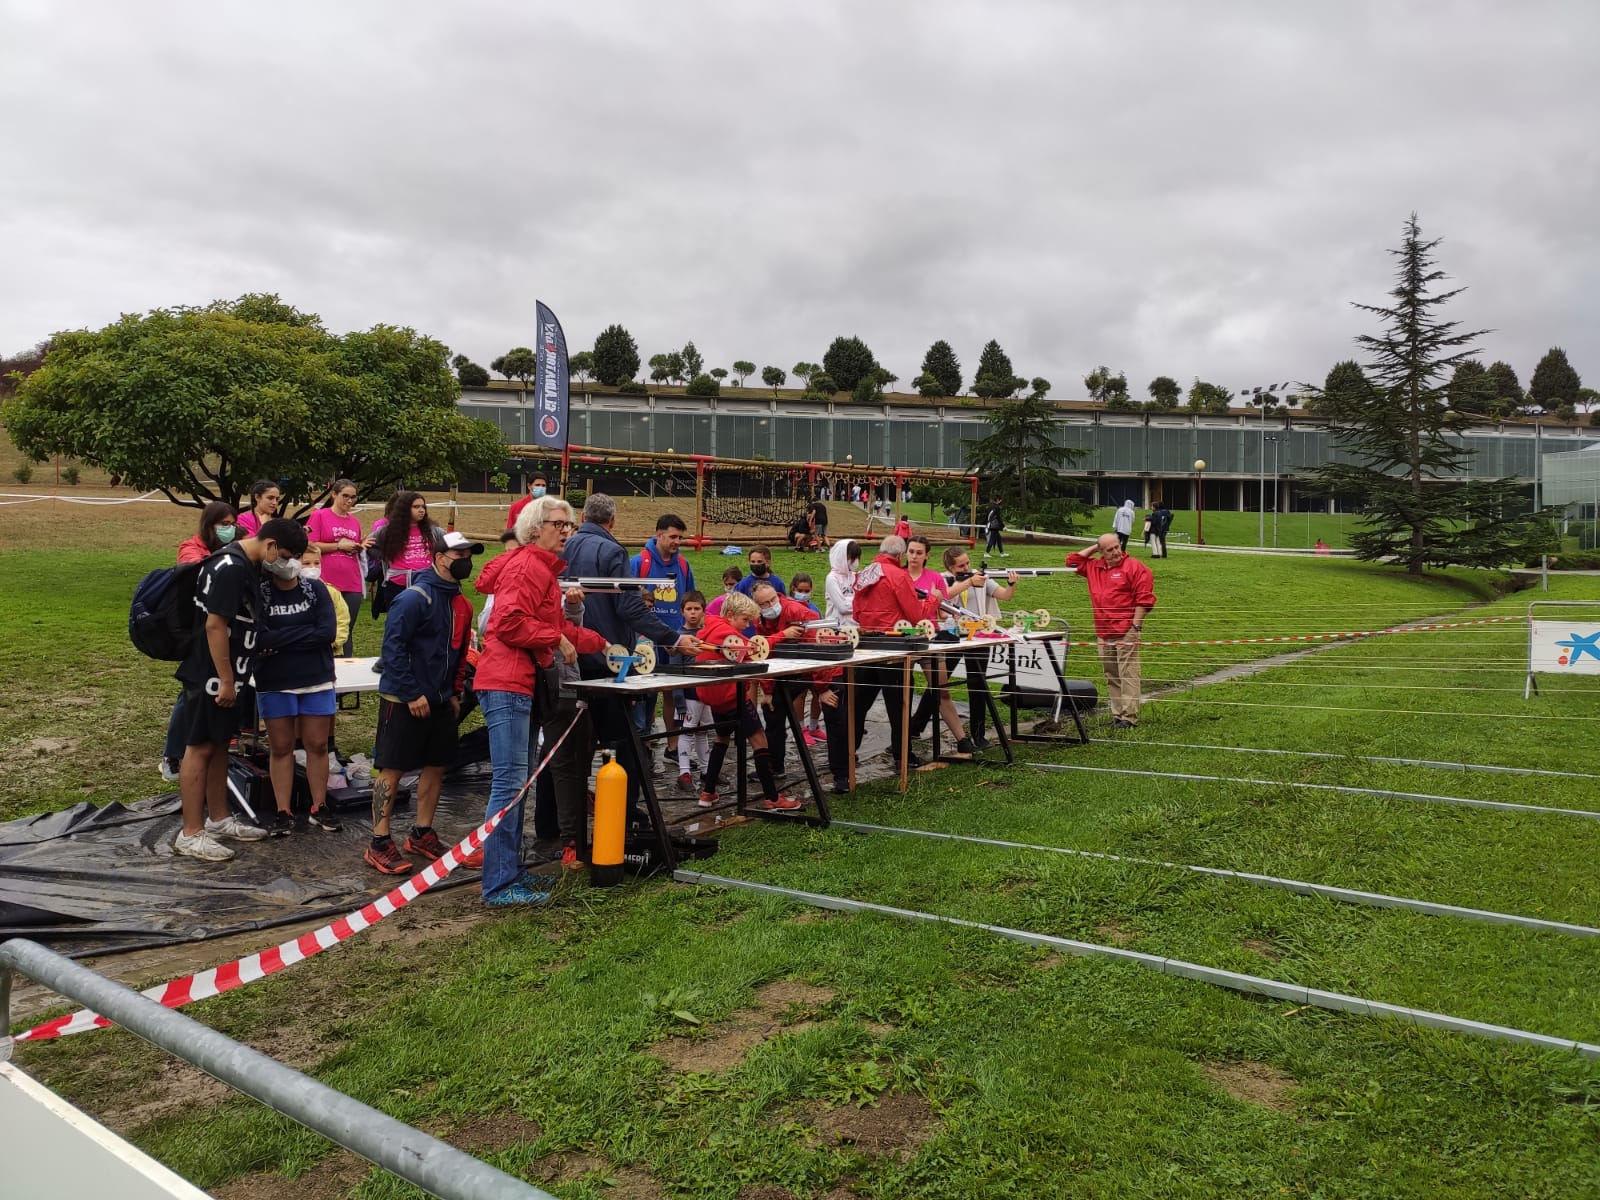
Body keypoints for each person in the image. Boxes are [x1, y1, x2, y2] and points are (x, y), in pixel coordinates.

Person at [474, 496, 608, 902]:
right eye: (558, 524)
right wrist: (557, 638)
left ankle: (511, 873)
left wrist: (602, 643)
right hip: (507, 682)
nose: (567, 531)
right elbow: (508, 624)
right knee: (509, 785)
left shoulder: (540, 568)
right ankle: (499, 884)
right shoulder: (528, 567)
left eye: (569, 525)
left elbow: (555, 626)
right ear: (535, 529)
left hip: (523, 683)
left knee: (518, 783)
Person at [171, 516, 307, 861]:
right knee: (200, 747)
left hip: (233, 671)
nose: (285, 564)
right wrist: (226, 679)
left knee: (220, 746)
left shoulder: (247, 564)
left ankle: (218, 818)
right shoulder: (230, 567)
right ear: (271, 545)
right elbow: (215, 626)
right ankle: (191, 833)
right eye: (285, 556)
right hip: (212, 675)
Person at [562, 494, 700, 828]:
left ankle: (563, 822)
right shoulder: (613, 551)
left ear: (583, 517)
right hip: (606, 659)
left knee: (567, 746)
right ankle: (625, 814)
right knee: (623, 742)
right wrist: (673, 638)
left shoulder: (563, 547)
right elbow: (629, 606)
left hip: (568, 657)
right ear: (612, 521)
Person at [364, 532, 483, 874]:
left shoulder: (462, 604)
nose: (465, 561)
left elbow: (460, 652)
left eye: (469, 555)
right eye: (459, 555)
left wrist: (456, 692)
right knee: (392, 767)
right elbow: (393, 650)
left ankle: (421, 833)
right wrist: (411, 693)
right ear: (440, 558)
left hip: (442, 699)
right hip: (403, 699)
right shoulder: (413, 599)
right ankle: (379, 841)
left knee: (436, 765)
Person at [255, 542, 343, 836]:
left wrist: (280, 640)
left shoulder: (315, 590)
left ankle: (320, 806)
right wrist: (305, 635)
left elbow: (327, 633)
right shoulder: (260, 595)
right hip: (275, 682)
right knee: (281, 747)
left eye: (296, 556)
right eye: (285, 556)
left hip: (317, 678)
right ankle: (283, 811)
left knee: (318, 745)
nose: (291, 562)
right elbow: (260, 638)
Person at [690, 592, 802, 812]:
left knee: (721, 739)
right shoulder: (727, 634)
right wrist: (782, 635)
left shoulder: (709, 629)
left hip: (714, 698)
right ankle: (772, 798)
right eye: (745, 620)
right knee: (760, 741)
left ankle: (708, 792)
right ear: (731, 615)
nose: (747, 625)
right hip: (733, 697)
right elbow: (754, 650)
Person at [162, 502, 239, 781]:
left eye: (233, 524)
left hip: (227, 631)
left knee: (214, 691)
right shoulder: (192, 547)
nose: (229, 529)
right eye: (224, 524)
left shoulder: (232, 550)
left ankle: (219, 743)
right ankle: (172, 755)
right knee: (191, 694)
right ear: (209, 525)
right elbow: (195, 570)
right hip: (197, 631)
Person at [851, 535, 943, 767]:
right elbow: (915, 614)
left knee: (859, 702)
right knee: (899, 704)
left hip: (866, 644)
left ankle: (848, 751)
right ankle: (903, 755)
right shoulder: (899, 575)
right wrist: (933, 600)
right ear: (901, 555)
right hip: (892, 645)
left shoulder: (866, 572)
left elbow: (856, 613)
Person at [1066, 533, 1157, 729]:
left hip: (1126, 629)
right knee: (1111, 673)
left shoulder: (1135, 567)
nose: (1116, 552)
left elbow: (1144, 598)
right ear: (1101, 552)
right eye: (1110, 549)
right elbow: (1072, 562)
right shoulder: (1094, 567)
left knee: (1128, 673)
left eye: (1117, 547)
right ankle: (1118, 714)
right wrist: (1095, 546)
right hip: (1103, 630)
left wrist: (1136, 626)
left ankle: (1129, 717)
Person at [629, 514, 697, 768]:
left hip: (674, 640)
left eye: (680, 537)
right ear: (659, 534)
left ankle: (673, 745)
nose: (677, 542)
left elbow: (689, 598)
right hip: (644, 642)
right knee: (646, 694)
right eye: (672, 536)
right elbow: (628, 600)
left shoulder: (684, 566)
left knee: (673, 693)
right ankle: (644, 746)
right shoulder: (639, 562)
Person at [942, 546, 1019, 751]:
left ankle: (978, 734)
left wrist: (1011, 583)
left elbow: (1005, 595)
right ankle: (917, 725)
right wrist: (968, 582)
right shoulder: (944, 579)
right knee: (939, 683)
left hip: (979, 637)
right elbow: (943, 597)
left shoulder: (980, 577)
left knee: (978, 684)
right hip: (953, 636)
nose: (967, 568)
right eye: (961, 566)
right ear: (950, 568)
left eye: (967, 563)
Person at [903, 536, 974, 754]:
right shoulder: (898, 575)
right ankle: (902, 744)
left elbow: (943, 612)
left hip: (929, 639)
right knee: (902, 694)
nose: (914, 556)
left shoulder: (934, 577)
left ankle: (962, 739)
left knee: (941, 689)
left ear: (927, 555)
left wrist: (953, 617)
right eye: (911, 551)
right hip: (903, 639)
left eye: (919, 552)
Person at [305, 479, 365, 654]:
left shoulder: (355, 521)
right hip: (327, 580)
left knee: (346, 628)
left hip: (352, 581)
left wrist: (360, 546)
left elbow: (353, 546)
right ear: (334, 494)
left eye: (353, 497)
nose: (349, 500)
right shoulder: (320, 515)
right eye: (345, 496)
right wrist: (338, 546)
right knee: (326, 626)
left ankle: (345, 664)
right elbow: (310, 545)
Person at [368, 491, 439, 619]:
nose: (421, 510)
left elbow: (448, 545)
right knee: (399, 624)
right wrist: (386, 555)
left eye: (423, 506)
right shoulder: (387, 531)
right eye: (416, 507)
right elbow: (368, 544)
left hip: (427, 584)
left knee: (426, 624)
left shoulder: (433, 530)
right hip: (397, 587)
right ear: (404, 509)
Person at [676, 591, 713, 786]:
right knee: (686, 731)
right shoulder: (678, 637)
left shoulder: (707, 634)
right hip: (688, 693)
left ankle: (707, 770)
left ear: (703, 611)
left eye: (697, 608)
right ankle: (684, 772)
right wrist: (678, 698)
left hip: (706, 692)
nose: (693, 612)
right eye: (689, 609)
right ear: (682, 611)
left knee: (703, 731)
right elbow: (674, 669)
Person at [824, 540, 859, 626]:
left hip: (855, 627)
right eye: (852, 558)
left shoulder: (856, 576)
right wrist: (859, 603)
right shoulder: (832, 578)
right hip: (837, 627)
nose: (855, 561)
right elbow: (843, 608)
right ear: (841, 556)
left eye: (857, 558)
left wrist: (847, 600)